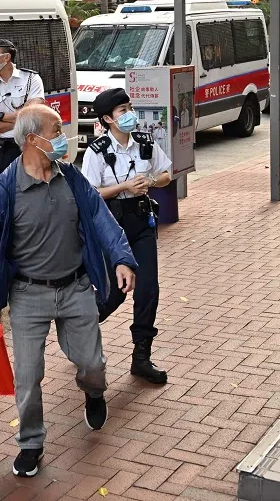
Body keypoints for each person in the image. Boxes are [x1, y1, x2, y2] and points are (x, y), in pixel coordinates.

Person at [0, 105, 137, 478]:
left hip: (76, 287)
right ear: (32, 139)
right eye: (56, 130)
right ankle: (30, 443)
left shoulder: (72, 179)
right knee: (27, 376)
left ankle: (93, 392)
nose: (64, 137)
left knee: (92, 364)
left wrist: (123, 259)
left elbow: (101, 220)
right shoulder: (4, 189)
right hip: (28, 294)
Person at [82, 88, 171, 385]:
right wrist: (123, 188)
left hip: (142, 222)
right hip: (111, 225)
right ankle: (82, 329)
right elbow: (90, 195)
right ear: (107, 118)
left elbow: (167, 174)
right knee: (115, 292)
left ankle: (141, 356)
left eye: (130, 107)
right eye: (122, 110)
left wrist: (151, 180)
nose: (129, 114)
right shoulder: (96, 151)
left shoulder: (145, 143)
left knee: (148, 289)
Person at [0, 39, 45, 182]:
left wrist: (0, 117)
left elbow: (34, 114)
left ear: (6, 57)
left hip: (27, 147)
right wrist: (22, 118)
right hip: (0, 150)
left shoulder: (31, 79)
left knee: (31, 194)